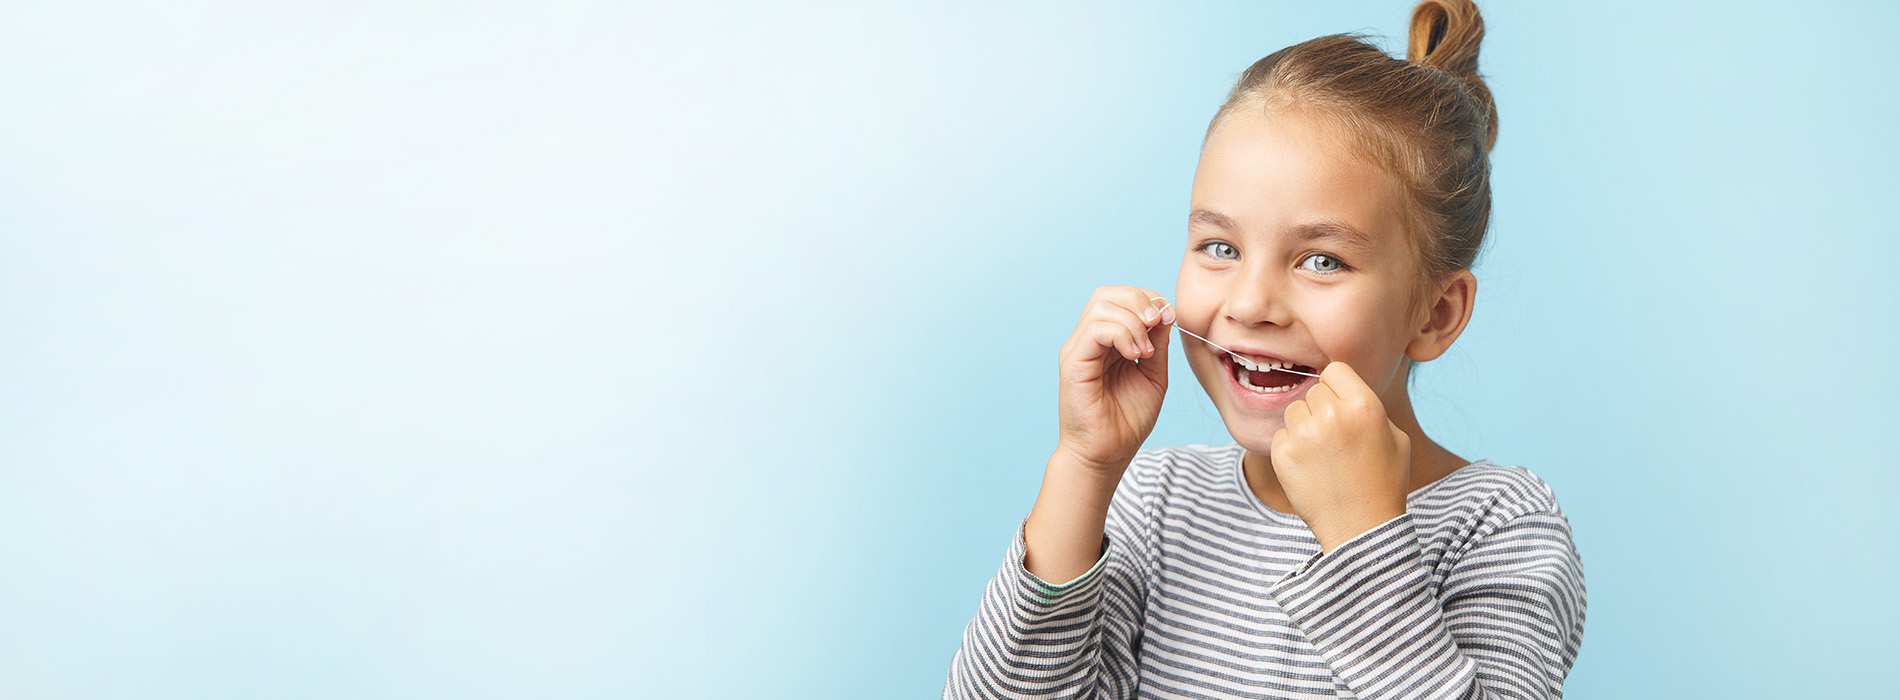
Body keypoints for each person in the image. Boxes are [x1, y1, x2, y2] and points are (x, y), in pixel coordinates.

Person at [941, 1, 1586, 698]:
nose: (1248, 305)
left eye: (1321, 261)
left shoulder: (1498, 527)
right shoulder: (1158, 505)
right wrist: (1084, 466)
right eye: (1220, 248)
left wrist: (1361, 534)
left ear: (1434, 313)